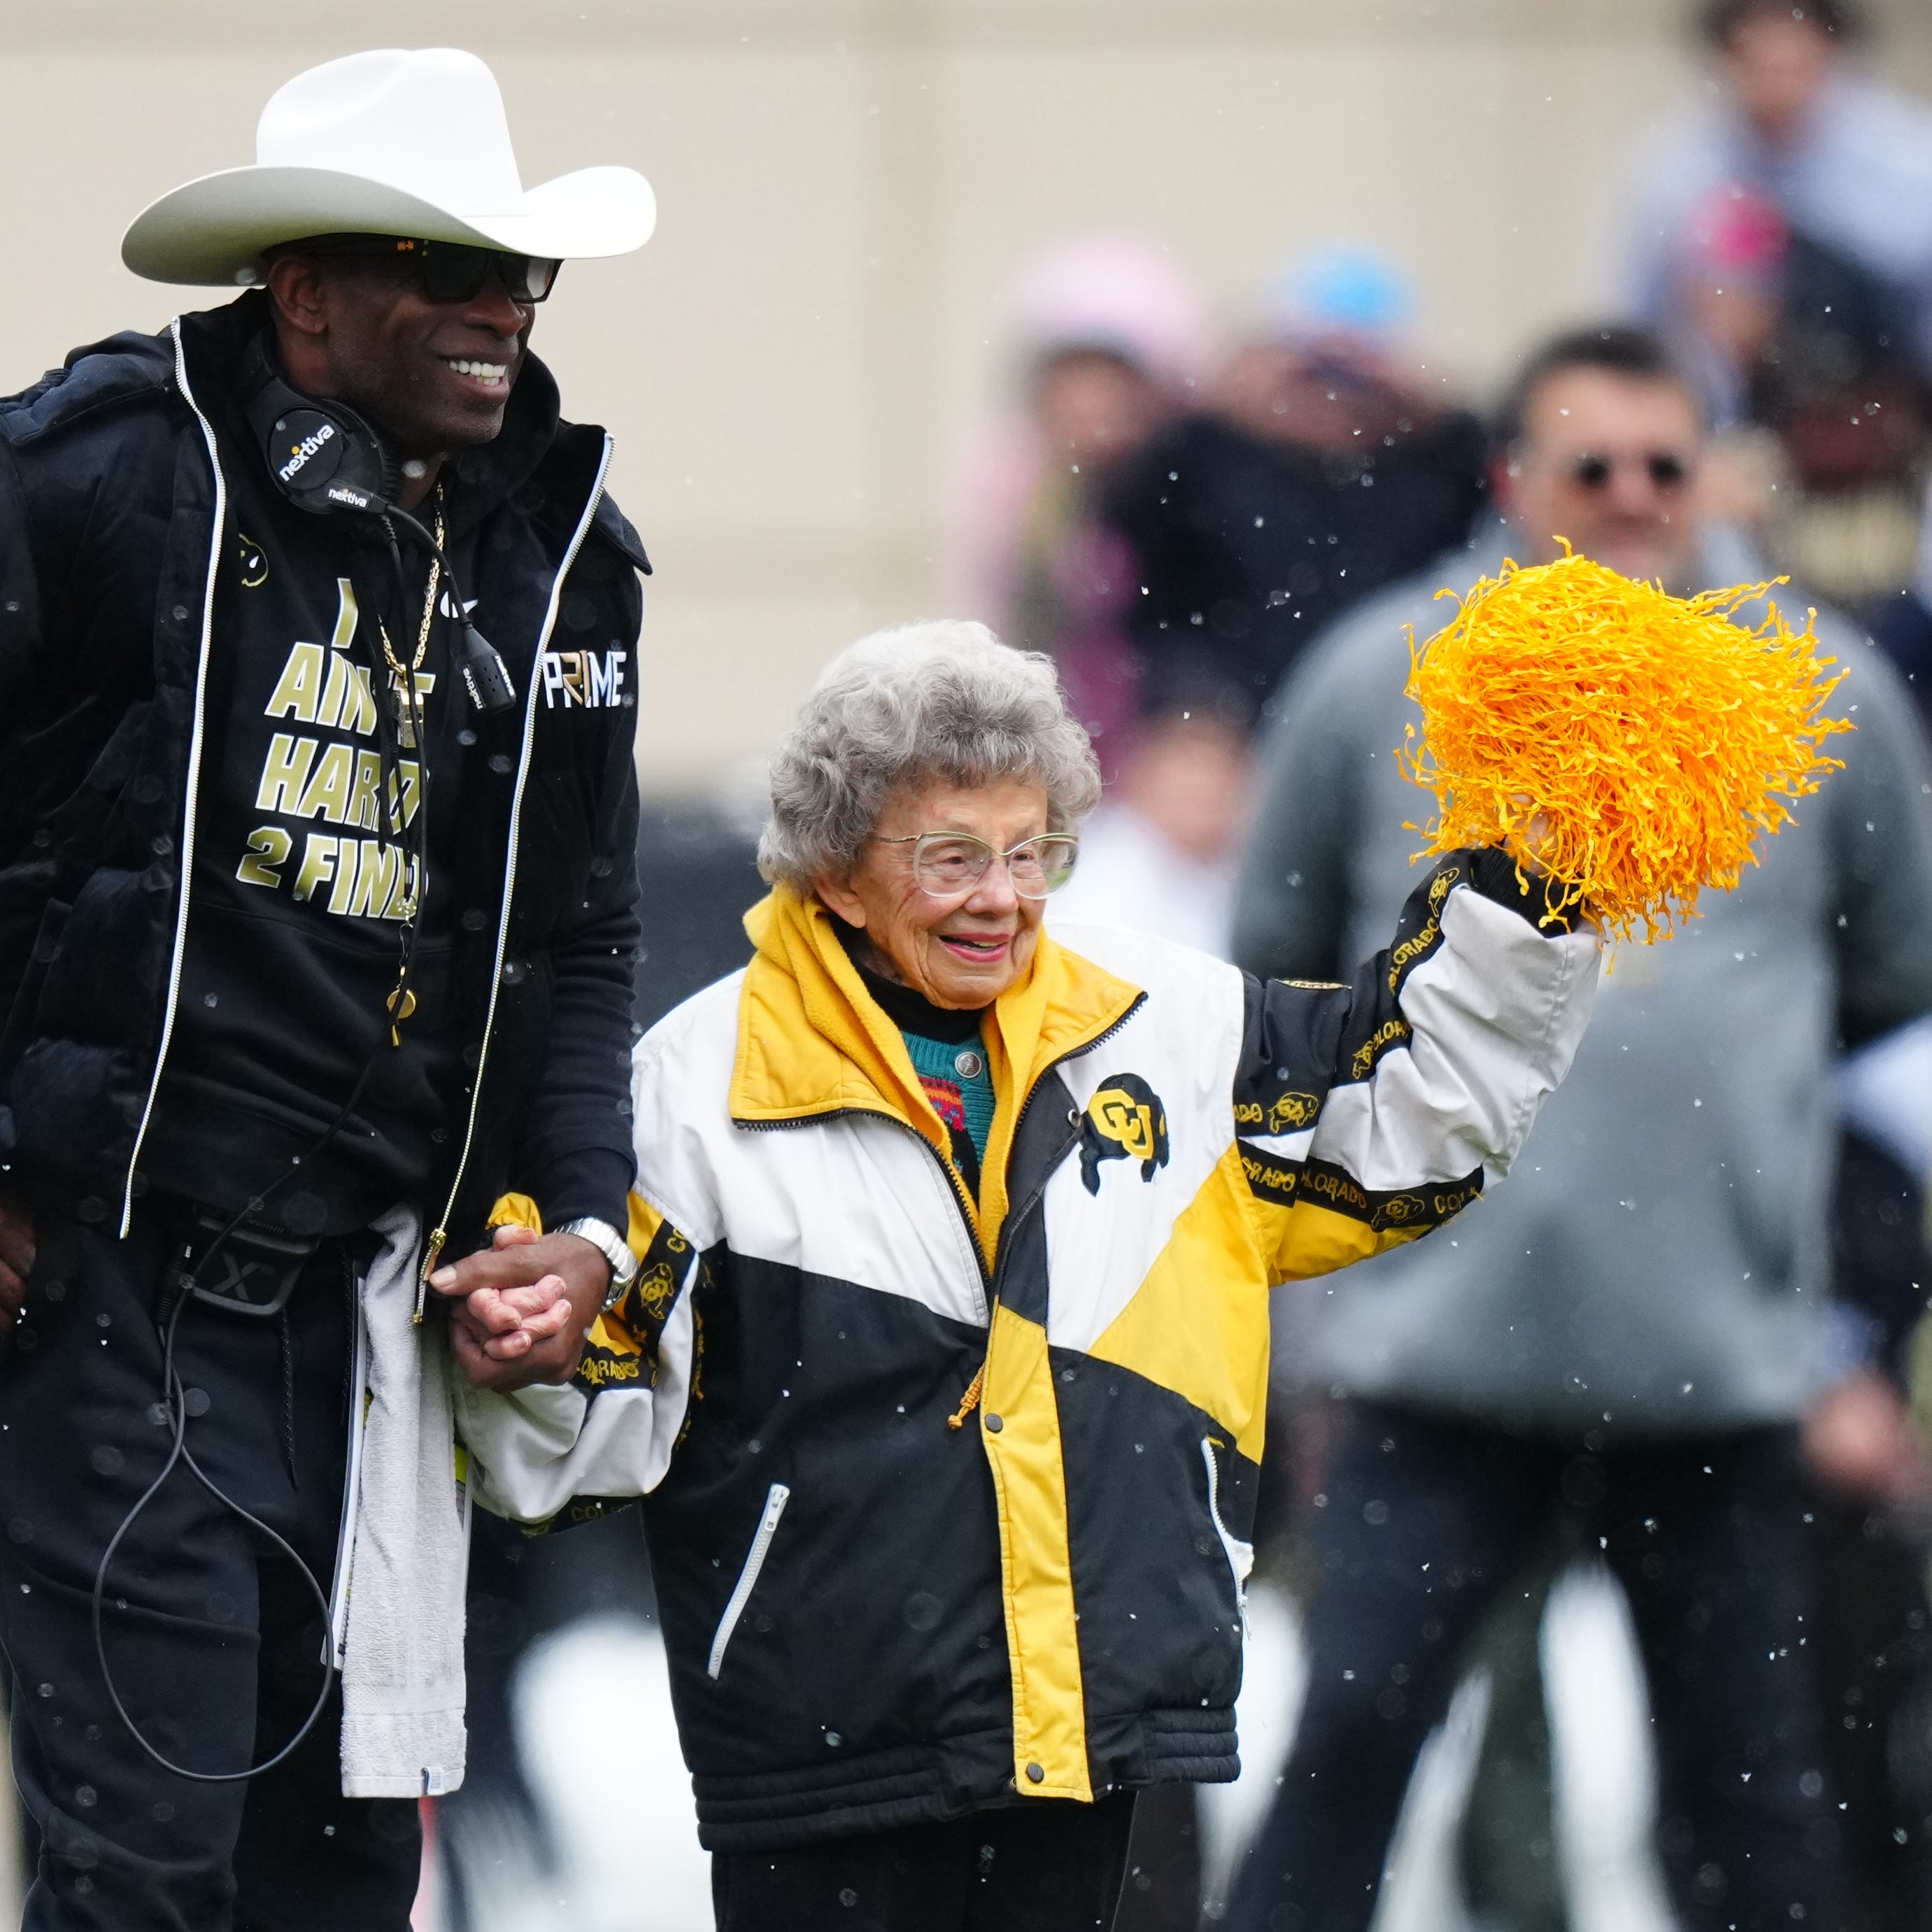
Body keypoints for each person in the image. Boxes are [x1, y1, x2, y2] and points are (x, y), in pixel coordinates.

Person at [447, 620, 1603, 1931]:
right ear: (829, 869)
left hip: (1113, 1736)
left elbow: (1416, 1110)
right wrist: (524, 1349)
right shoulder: (686, 1087)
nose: (1000, 895)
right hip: (823, 1767)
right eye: (949, 857)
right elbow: (572, 1442)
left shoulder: (1167, 1022)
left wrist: (1540, 878)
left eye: (1028, 849)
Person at [0, 48, 655, 1929]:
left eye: (518, 273)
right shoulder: (114, 468)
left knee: (342, 1883)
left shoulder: (561, 557)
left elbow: (583, 936)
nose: (496, 309)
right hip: (116, 1295)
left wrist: (589, 1222)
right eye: (442, 267)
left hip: (375, 1339)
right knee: (155, 1878)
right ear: (300, 288)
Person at [1227, 324, 1932, 1932]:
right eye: (1588, 464)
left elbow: (1894, 963)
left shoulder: (1815, 685)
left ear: (1711, 472)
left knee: (1752, 1795)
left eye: (1661, 463)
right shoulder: (1380, 675)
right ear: (1510, 479)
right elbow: (1270, 963)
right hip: (1433, 1346)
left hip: (1718, 1358)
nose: (1627, 495)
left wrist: (1727, 1121)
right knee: (1346, 1754)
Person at [1102, 248, 1488, 730]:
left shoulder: (1432, 468)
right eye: (1309, 373)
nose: (1330, 396)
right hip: (1230, 735)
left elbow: (1500, 488)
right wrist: (1221, 402)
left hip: (1390, 725)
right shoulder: (1208, 458)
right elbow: (1123, 513)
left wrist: (1436, 416)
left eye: (1355, 379)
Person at [946, 234, 1212, 777]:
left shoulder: (1195, 496)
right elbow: (990, 630)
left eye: (1112, 383)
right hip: (1043, 768)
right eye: (1070, 381)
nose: (1088, 405)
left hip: (1171, 784)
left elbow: (1200, 647)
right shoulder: (1013, 487)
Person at [1626, 1, 1932, 374]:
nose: (1778, 80)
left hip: (1894, 384)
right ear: (1727, 59)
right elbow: (1634, 308)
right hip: (1746, 392)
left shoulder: (1906, 154)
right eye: (1761, 61)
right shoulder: (1681, 168)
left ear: (1833, 53)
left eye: (1793, 60)